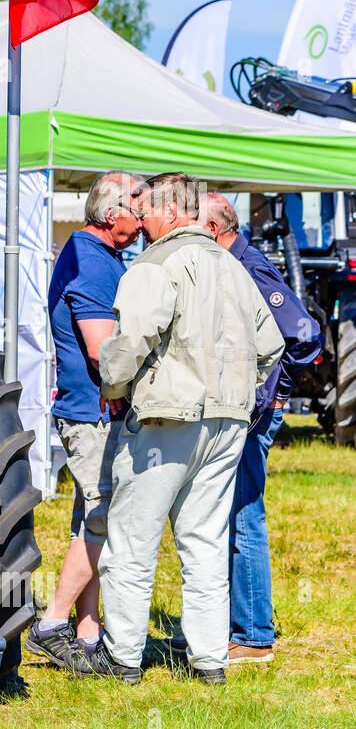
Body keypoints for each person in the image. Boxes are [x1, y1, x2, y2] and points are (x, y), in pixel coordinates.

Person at [93, 173, 282, 684]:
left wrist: (112, 388)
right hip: (227, 422)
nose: (140, 217)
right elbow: (271, 345)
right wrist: (241, 393)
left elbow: (129, 339)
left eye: (146, 207)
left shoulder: (155, 263)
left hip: (166, 419)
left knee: (133, 541)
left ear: (171, 212)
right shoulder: (234, 267)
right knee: (204, 543)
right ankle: (209, 662)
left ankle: (124, 658)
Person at [25, 172, 144, 672]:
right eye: (138, 210)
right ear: (112, 213)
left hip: (95, 410)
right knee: (101, 518)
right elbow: (102, 351)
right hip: (95, 412)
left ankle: (87, 632)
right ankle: (51, 625)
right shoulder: (92, 263)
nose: (143, 221)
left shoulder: (99, 255)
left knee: (90, 521)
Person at [200, 193, 321, 664]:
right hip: (244, 411)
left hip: (255, 415)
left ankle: (252, 636)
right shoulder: (233, 263)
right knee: (231, 514)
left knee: (244, 515)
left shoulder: (247, 266)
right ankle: (233, 627)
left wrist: (276, 393)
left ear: (213, 230)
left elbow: (304, 334)